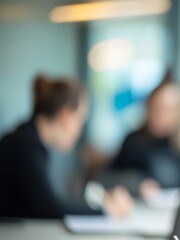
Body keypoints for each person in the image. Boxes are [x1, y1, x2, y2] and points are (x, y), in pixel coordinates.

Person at [0, 73, 133, 219]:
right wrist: (106, 209)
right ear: (66, 115)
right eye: (80, 120)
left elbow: (50, 201)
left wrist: (102, 202)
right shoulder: (25, 146)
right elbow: (50, 208)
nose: (80, 131)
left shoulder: (28, 140)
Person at [93, 72, 180, 200]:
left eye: (168, 109)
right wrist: (137, 185)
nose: (160, 114)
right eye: (156, 107)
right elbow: (105, 178)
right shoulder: (134, 143)